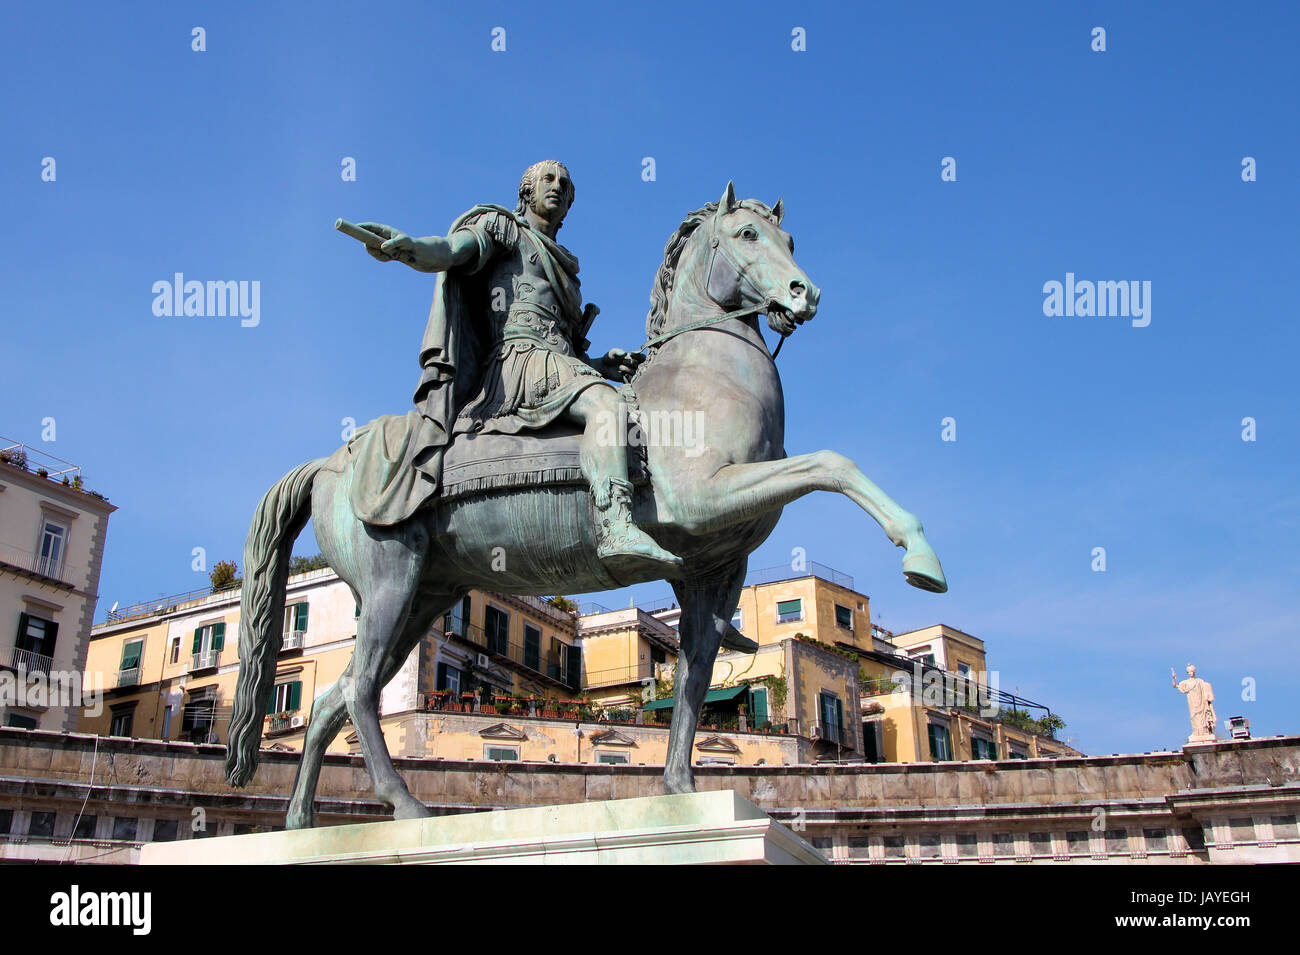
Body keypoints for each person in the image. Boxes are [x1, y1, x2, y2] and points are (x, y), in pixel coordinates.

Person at [356, 160, 681, 571]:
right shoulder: (504, 229)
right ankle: (615, 523)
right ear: (527, 190)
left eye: (566, 184)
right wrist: (417, 250)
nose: (558, 187)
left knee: (630, 406)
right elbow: (455, 250)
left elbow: (567, 351)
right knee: (606, 406)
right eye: (548, 179)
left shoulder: (566, 266)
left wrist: (600, 363)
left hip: (555, 365)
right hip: (518, 364)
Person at [1172, 663, 1217, 739]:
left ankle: (1204, 732)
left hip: (1201, 702)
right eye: (1189, 672)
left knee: (1203, 716)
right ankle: (1196, 732)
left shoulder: (1199, 681)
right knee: (1194, 717)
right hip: (1192, 702)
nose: (1191, 673)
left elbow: (1206, 689)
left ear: (1194, 672)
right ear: (1187, 673)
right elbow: (1175, 686)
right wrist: (1174, 678)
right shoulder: (1186, 682)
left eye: (1192, 671)